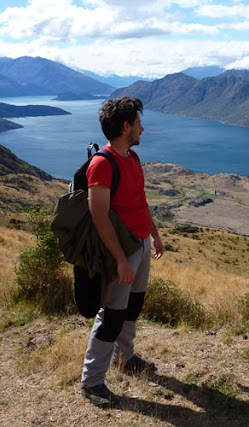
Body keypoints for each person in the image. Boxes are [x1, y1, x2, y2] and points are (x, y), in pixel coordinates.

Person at [80, 96, 164, 407]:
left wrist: (154, 236)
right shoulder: (102, 164)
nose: (143, 128)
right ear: (126, 126)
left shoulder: (132, 157)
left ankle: (125, 358)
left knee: (132, 308)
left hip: (140, 245)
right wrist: (119, 260)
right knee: (112, 315)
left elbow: (140, 202)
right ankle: (92, 382)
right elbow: (99, 215)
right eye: (139, 123)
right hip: (121, 250)